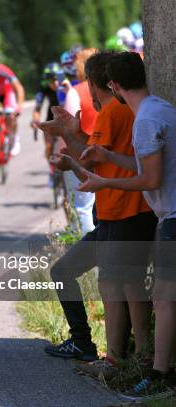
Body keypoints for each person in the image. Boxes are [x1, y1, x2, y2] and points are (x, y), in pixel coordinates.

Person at [40, 51, 157, 377]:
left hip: (124, 212)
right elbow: (93, 160)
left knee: (119, 285)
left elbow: (87, 165)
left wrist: (65, 135)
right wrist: (71, 134)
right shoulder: (119, 112)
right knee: (94, 278)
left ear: (96, 83)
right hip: (114, 214)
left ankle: (121, 357)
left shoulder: (111, 114)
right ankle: (114, 352)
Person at [77, 52, 176, 400]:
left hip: (173, 219)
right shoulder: (160, 107)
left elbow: (148, 179)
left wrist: (105, 183)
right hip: (168, 219)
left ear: (114, 86)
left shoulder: (145, 120)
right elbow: (141, 165)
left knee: (164, 301)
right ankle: (157, 368)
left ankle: (158, 375)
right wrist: (108, 158)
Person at [59, 48, 98, 235]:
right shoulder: (110, 89)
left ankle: (88, 253)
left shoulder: (76, 92)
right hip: (108, 153)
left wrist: (61, 154)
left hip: (80, 155)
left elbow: (67, 128)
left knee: (82, 206)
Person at [32, 62, 63, 165]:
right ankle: (52, 169)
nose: (53, 83)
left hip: (66, 114)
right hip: (52, 115)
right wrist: (35, 120)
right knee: (48, 147)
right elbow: (37, 108)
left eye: (55, 79)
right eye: (50, 80)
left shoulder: (65, 83)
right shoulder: (44, 86)